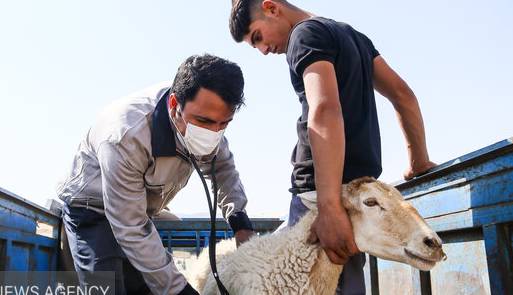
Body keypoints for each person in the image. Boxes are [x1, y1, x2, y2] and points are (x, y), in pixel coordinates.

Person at [229, 1, 436, 294]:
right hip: (358, 194)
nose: (263, 50)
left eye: (257, 37)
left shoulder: (303, 36)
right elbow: (403, 95)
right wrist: (419, 160)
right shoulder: (355, 37)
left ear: (271, 8)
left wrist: (328, 208)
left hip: (320, 194)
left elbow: (324, 108)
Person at [58, 54, 254, 295]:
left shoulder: (207, 124)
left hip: (139, 212)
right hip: (92, 211)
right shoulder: (127, 135)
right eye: (203, 121)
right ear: (174, 106)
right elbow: (130, 226)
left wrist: (240, 223)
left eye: (224, 124)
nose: (214, 133)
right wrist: (181, 291)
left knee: (148, 287)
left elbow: (223, 170)